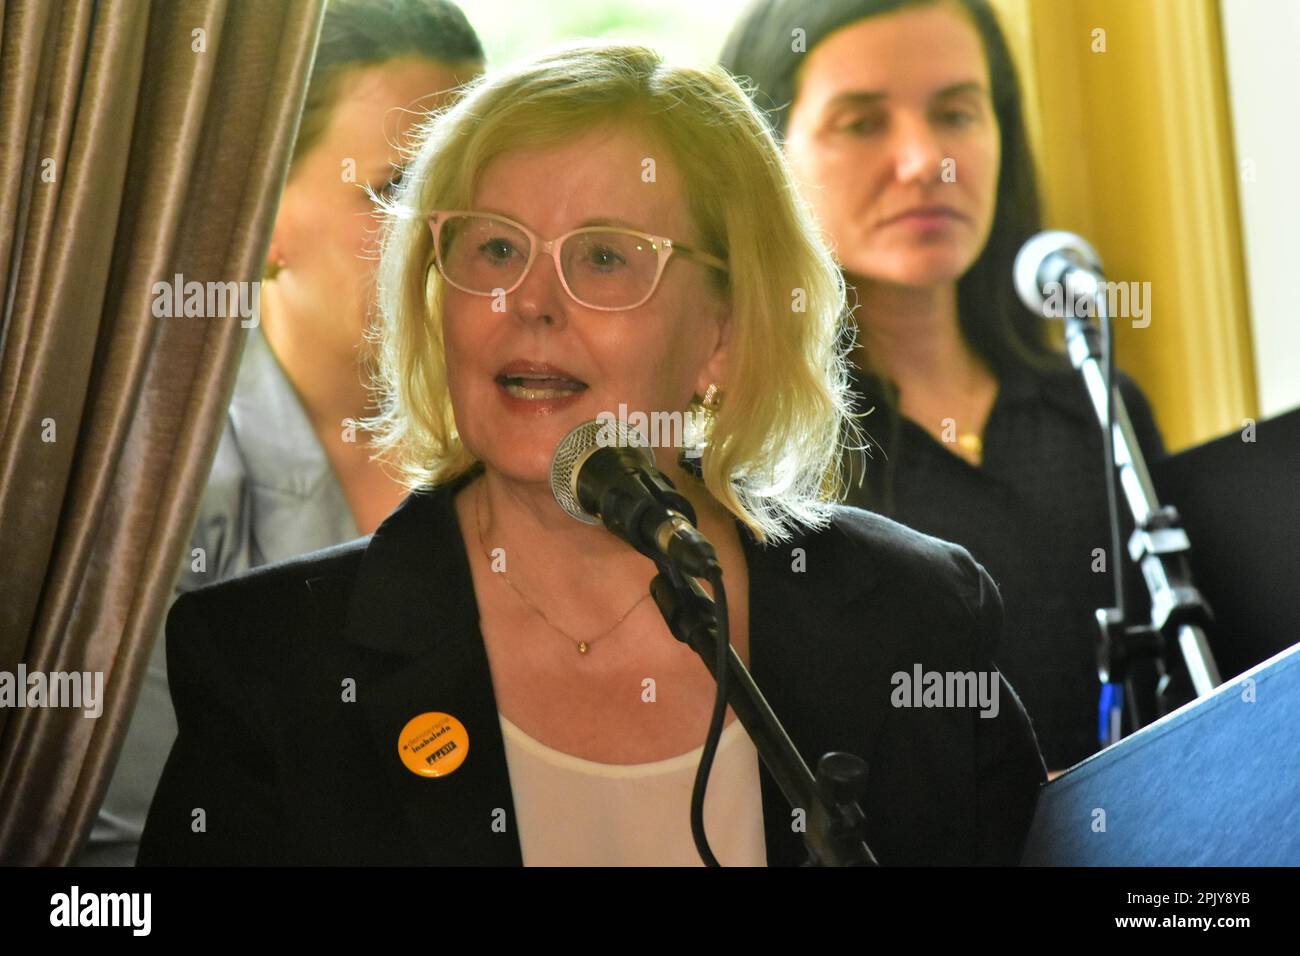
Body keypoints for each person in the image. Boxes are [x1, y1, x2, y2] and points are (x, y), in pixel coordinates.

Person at [139, 42, 1045, 867]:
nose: (529, 302)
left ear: (722, 333)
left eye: (605, 257)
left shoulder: (914, 617)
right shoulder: (270, 664)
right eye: (493, 247)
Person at [78, 0, 484, 866]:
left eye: (485, 188)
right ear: (253, 224)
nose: (470, 237)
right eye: (400, 190)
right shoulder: (162, 494)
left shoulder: (548, 449)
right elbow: (123, 850)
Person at [720, 0, 1167, 772]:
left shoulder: (1098, 407)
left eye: (957, 113)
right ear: (768, 159)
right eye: (862, 124)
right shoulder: (756, 463)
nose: (926, 160)